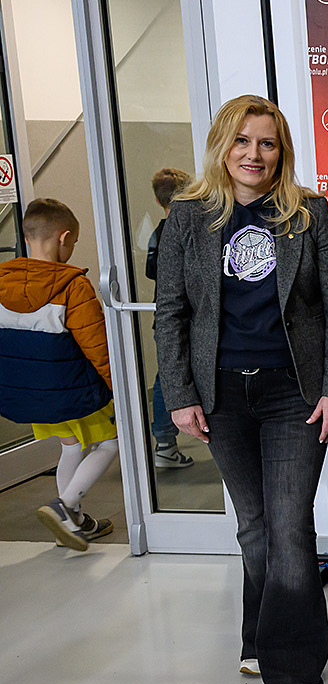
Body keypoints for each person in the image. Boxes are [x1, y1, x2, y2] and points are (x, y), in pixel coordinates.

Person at [154, 94, 328, 684]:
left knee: (290, 526)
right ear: (222, 147)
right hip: (220, 394)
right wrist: (180, 394)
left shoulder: (310, 215)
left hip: (293, 393)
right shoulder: (187, 218)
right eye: (242, 141)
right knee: (254, 526)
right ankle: (258, 635)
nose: (254, 154)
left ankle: (293, 665)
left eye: (267, 143)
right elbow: (171, 312)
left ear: (281, 151)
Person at [0, 199, 118, 550]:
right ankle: (64, 507)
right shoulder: (72, 285)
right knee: (112, 443)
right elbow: (97, 346)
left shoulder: (2, 282)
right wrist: (117, 387)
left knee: (71, 447)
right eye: (74, 242)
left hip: (30, 392)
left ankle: (73, 523)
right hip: (73, 390)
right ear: (64, 238)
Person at [146, 167, 193, 469]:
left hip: (166, 314)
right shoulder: (188, 230)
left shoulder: (157, 233)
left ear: (156, 199)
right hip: (185, 315)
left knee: (167, 377)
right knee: (170, 378)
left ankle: (164, 441)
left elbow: (151, 271)